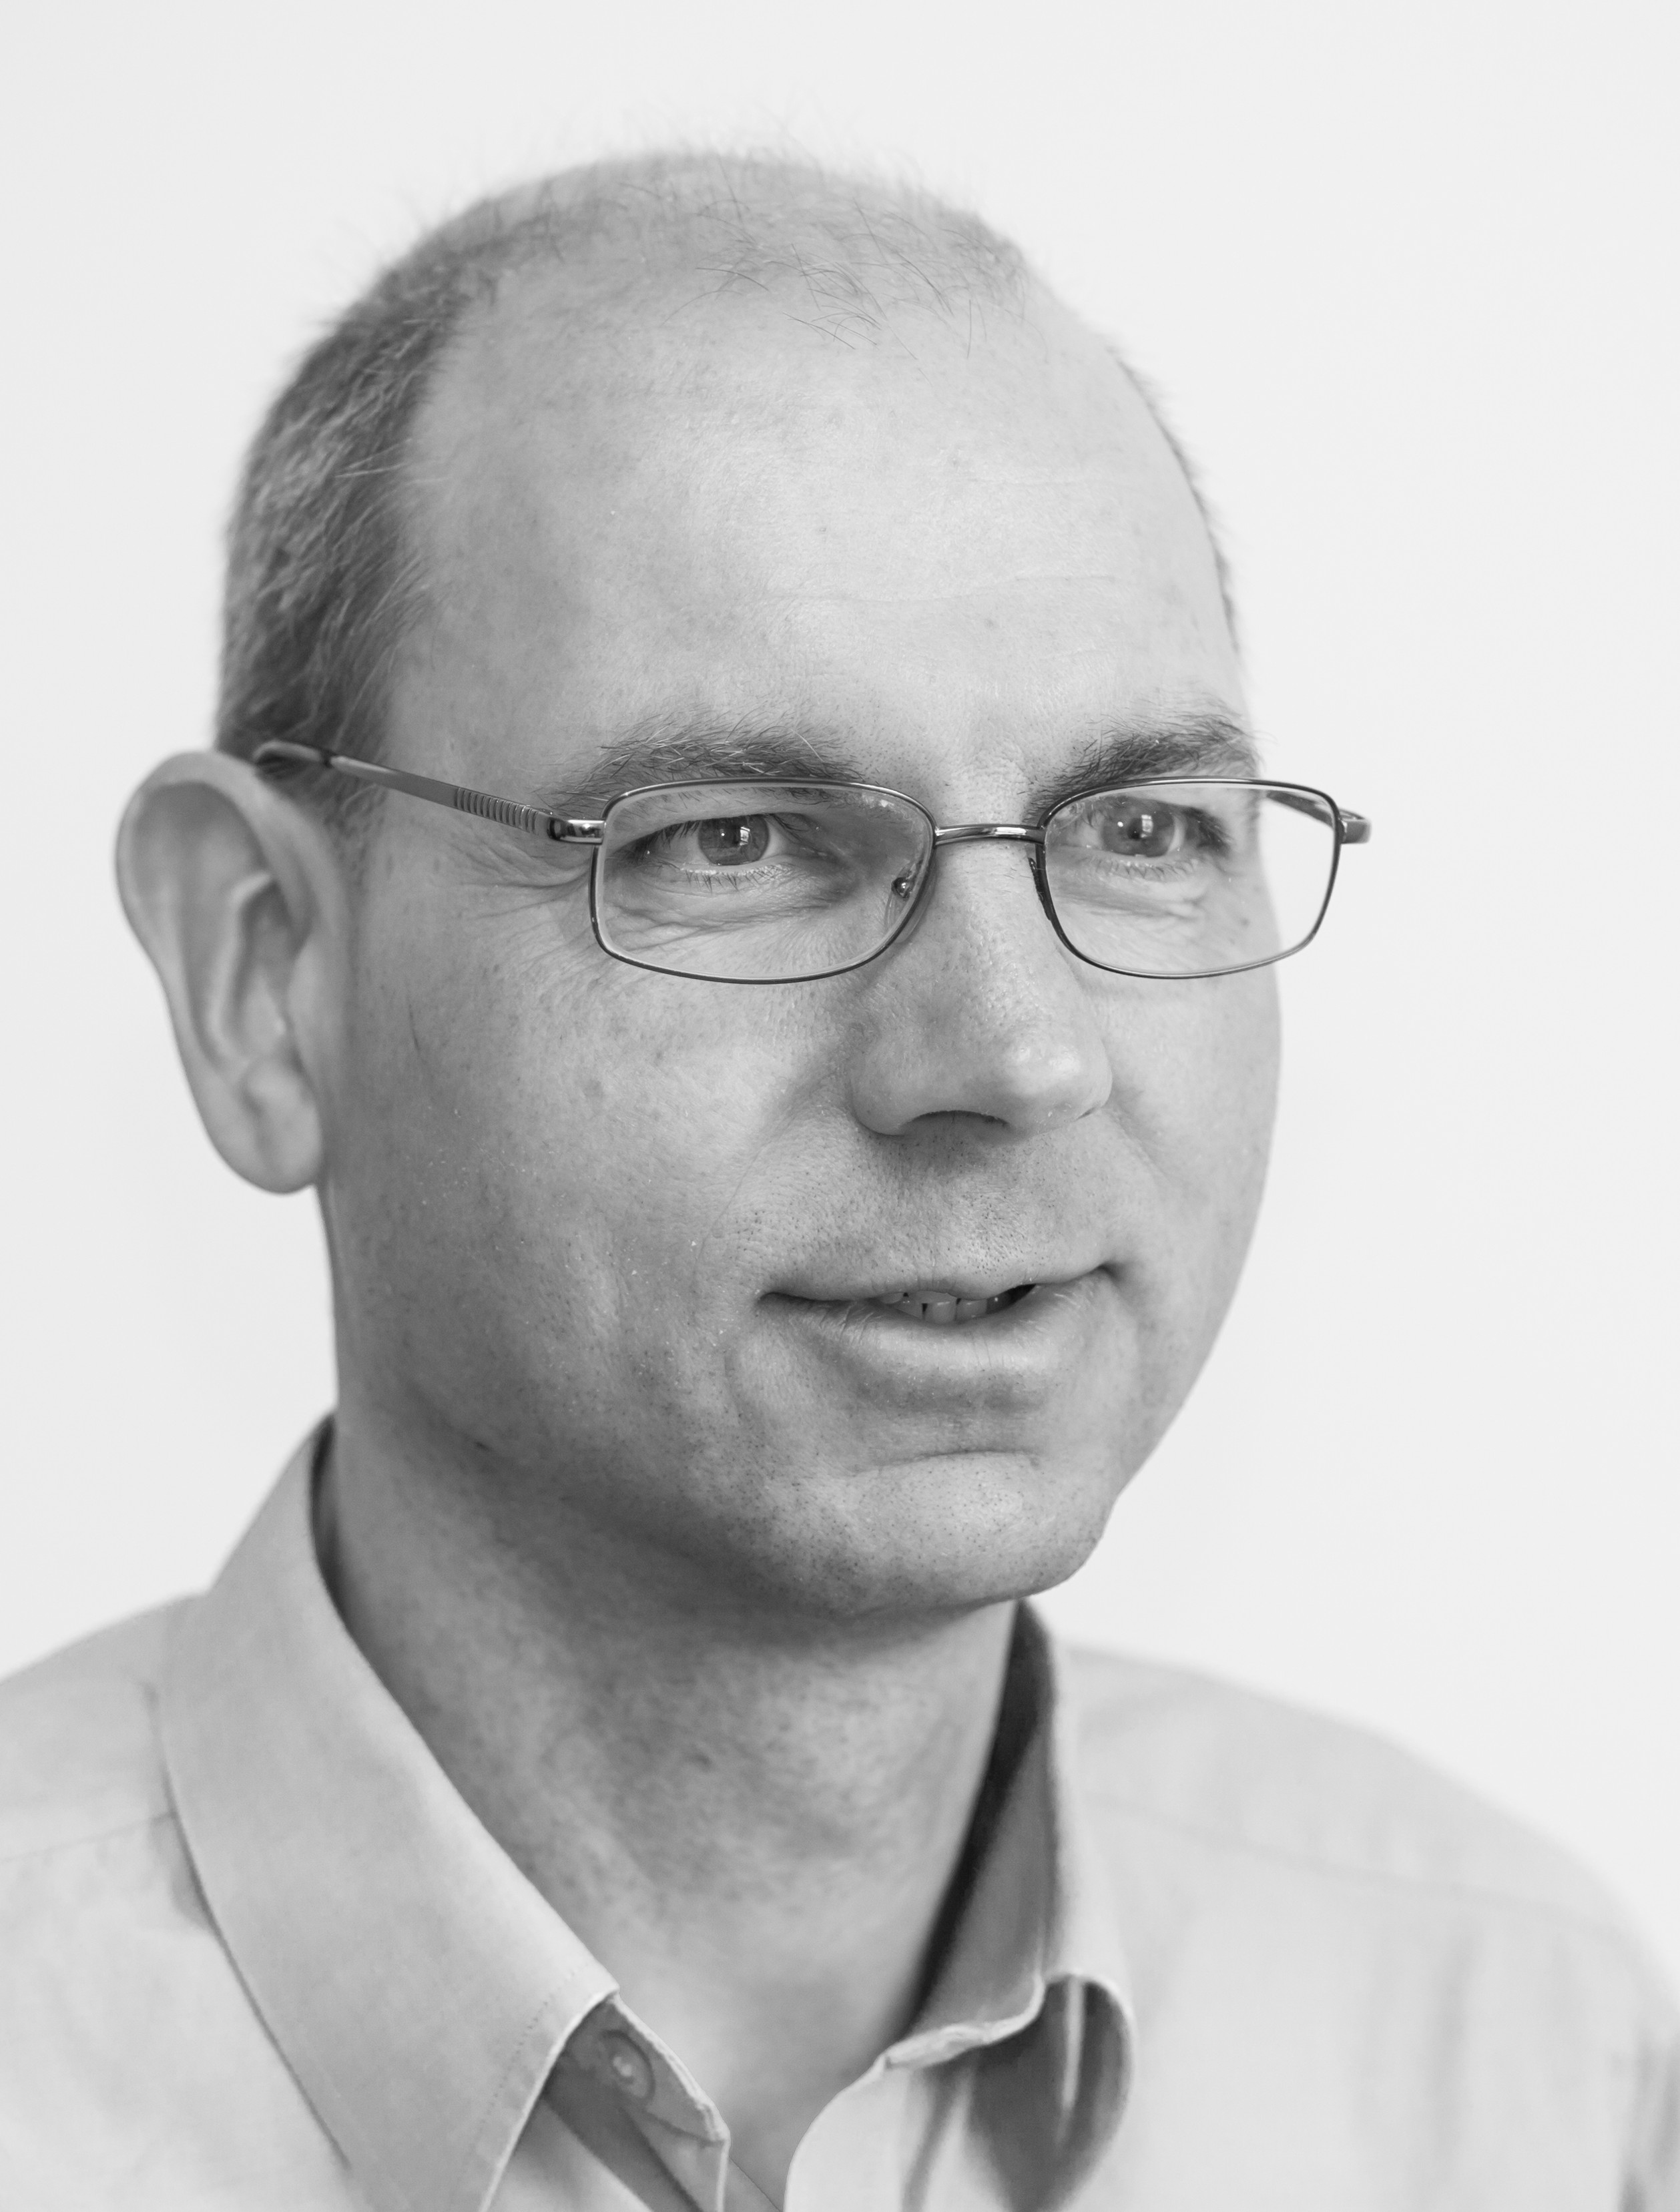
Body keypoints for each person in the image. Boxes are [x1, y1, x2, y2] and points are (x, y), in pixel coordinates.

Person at [1, 152, 1673, 2211]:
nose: (1015, 1052)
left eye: (1141, 830)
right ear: (266, 974)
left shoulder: (1524, 2070)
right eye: (733, 840)